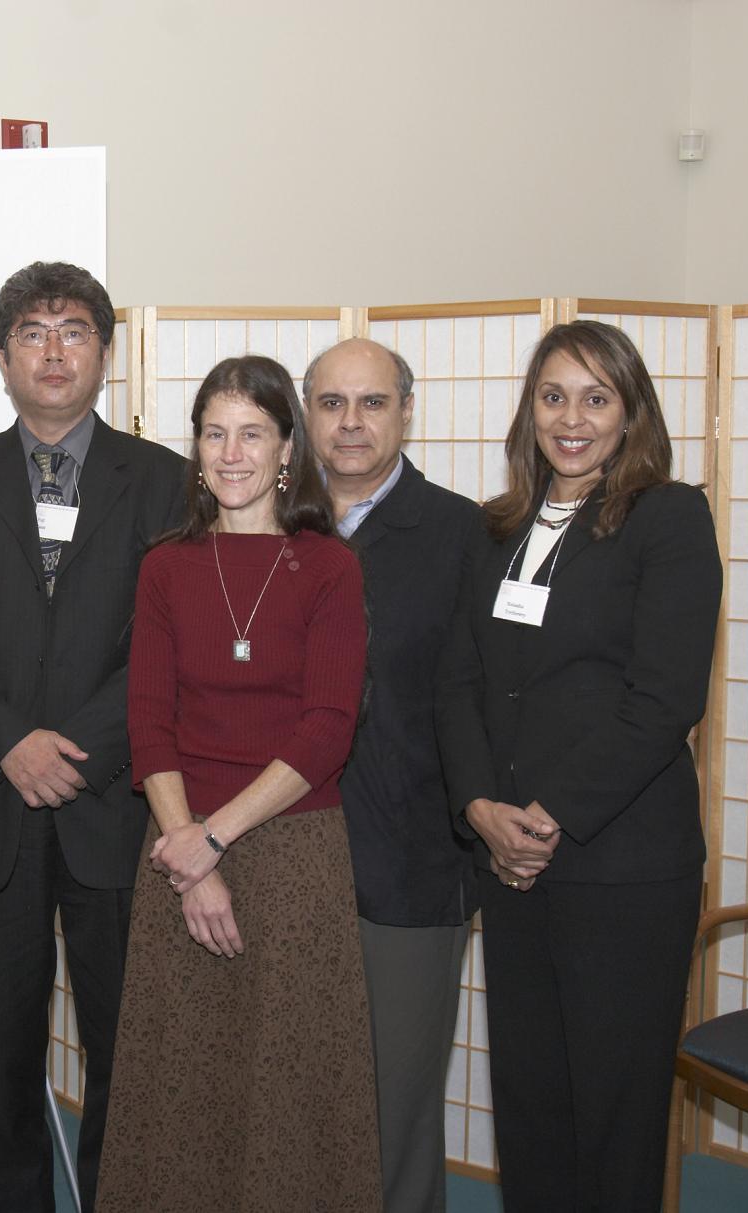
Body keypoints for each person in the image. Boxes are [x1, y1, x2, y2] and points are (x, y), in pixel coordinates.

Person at [0, 261, 184, 1212]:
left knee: (123, 1043)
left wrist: (73, 748)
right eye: (33, 331)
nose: (54, 349)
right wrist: (12, 742)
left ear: (104, 351)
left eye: (74, 329)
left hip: (112, 802)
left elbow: (165, 641)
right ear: (1, 356)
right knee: (6, 1045)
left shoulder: (165, 481)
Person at [435, 320, 722, 1212]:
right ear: (529, 410)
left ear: (630, 412)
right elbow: (458, 683)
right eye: (553, 395)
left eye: (596, 398)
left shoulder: (667, 518)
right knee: (530, 1100)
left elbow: (664, 699)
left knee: (612, 1110)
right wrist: (482, 808)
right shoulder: (497, 529)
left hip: (619, 866)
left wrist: (547, 814)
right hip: (513, 866)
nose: (571, 418)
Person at [97, 354, 380, 1212]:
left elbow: (327, 727)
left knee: (288, 1085)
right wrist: (188, 852)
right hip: (177, 850)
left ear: (287, 446)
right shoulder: (165, 566)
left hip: (291, 854)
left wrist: (212, 839)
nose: (229, 453)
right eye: (213, 433)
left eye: (251, 432)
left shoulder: (329, 566)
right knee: (181, 1081)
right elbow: (149, 720)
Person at [303, 338, 482, 1213]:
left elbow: (482, 701)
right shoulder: (269, 522)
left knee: (394, 1106)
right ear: (305, 414)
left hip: (410, 861)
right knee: (297, 1098)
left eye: (371, 402)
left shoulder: (461, 533)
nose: (350, 423)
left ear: (406, 411)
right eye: (331, 402)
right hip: (285, 852)